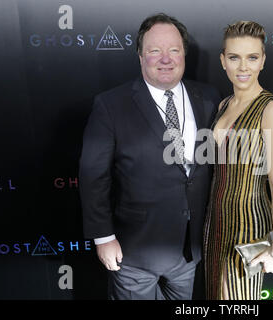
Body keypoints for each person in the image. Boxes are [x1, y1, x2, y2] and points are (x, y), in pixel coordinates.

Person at [79, 13, 220, 300]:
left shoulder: (209, 97)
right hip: (134, 252)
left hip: (190, 251)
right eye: (155, 50)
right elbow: (93, 175)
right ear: (140, 56)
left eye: (174, 50)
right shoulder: (110, 105)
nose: (165, 59)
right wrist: (103, 238)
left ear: (184, 54)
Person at [203, 20, 273, 300]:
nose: (243, 67)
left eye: (252, 57)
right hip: (214, 224)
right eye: (234, 57)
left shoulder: (272, 110)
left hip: (248, 229)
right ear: (223, 61)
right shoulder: (223, 105)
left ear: (263, 61)